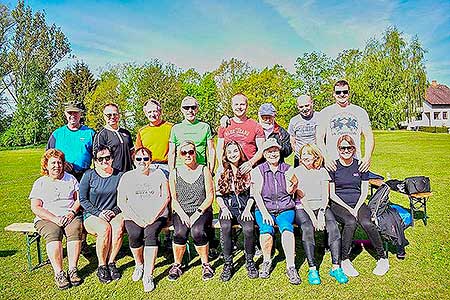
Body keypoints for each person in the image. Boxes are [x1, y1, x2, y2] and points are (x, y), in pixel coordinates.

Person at [329, 135, 389, 277]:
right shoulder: (333, 166)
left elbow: (364, 191)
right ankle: (345, 259)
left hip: (358, 201)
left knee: (367, 222)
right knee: (350, 221)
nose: (346, 150)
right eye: (342, 148)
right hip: (339, 203)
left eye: (349, 147)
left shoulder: (361, 165)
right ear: (338, 149)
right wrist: (350, 209)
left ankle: (382, 258)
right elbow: (332, 194)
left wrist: (356, 208)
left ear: (354, 149)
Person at [292, 144, 348, 285]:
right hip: (303, 207)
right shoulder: (296, 171)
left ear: (315, 156)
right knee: (307, 228)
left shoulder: (322, 171)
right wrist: (313, 217)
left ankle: (336, 267)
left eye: (309, 154)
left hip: (321, 206)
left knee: (333, 227)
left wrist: (322, 213)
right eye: (303, 154)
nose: (305, 157)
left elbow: (325, 195)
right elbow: (301, 197)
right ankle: (312, 268)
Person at [117, 147, 170, 292]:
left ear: (150, 160)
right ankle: (139, 264)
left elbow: (166, 197)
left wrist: (153, 216)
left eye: (146, 159)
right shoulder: (126, 177)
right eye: (139, 159)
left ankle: (148, 274)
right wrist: (137, 219)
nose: (142, 162)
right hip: (133, 215)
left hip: (156, 215)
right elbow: (121, 202)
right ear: (134, 161)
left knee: (150, 234)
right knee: (134, 234)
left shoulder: (159, 174)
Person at [30, 149, 83, 289]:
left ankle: (73, 269)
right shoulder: (40, 182)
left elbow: (79, 199)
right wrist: (54, 218)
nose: (57, 166)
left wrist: (72, 212)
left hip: (69, 214)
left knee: (75, 229)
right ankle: (59, 273)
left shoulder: (70, 179)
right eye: (53, 163)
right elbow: (36, 207)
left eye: (59, 162)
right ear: (46, 164)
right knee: (53, 233)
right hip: (47, 218)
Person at [251, 138, 300, 285]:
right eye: (270, 151)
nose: (273, 154)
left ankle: (291, 266)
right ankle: (266, 261)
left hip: (285, 207)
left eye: (275, 151)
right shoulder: (258, 171)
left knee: (287, 228)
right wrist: (265, 213)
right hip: (264, 208)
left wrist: (293, 186)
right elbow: (256, 195)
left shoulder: (288, 168)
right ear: (265, 154)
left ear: (279, 152)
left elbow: (291, 190)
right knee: (266, 230)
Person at [167, 141, 215, 281]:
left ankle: (205, 264)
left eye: (191, 152)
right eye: (184, 152)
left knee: (197, 231)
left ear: (195, 153)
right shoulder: (174, 173)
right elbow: (174, 200)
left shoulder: (203, 170)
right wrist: (182, 214)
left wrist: (197, 213)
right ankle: (177, 264)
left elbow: (210, 196)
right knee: (180, 232)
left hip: (201, 210)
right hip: (181, 210)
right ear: (179, 155)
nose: (188, 155)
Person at [79, 145, 125, 283]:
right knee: (104, 228)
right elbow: (82, 199)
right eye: (100, 159)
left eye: (107, 158)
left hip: (114, 212)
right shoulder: (88, 175)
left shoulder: (120, 176)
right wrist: (99, 213)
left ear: (112, 158)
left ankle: (111, 262)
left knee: (118, 228)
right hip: (92, 214)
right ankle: (102, 265)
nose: (104, 161)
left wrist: (114, 211)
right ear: (95, 160)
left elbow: (124, 199)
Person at [216, 141, 258, 281]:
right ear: (226, 156)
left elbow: (253, 194)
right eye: (229, 152)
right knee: (226, 227)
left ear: (240, 152)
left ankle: (249, 261)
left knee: (248, 229)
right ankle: (228, 263)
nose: (233, 154)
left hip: (245, 207)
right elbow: (218, 195)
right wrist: (223, 208)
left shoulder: (247, 170)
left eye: (235, 151)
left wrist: (247, 209)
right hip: (227, 207)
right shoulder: (221, 171)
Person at [316, 80, 374, 172]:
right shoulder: (325, 113)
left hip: (354, 162)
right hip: (332, 163)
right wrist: (326, 157)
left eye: (345, 92)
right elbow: (319, 138)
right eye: (338, 92)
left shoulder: (360, 112)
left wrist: (367, 157)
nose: (342, 94)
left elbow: (369, 136)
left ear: (349, 93)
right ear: (333, 94)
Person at [47, 101, 95, 182]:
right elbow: (48, 157)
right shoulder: (57, 134)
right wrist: (62, 163)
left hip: (84, 177)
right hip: (61, 176)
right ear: (65, 114)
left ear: (80, 113)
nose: (73, 115)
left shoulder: (90, 133)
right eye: (70, 112)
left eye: (76, 112)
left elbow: (98, 157)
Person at [217, 93, 265, 174]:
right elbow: (219, 149)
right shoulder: (224, 126)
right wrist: (220, 165)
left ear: (247, 106)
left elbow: (262, 149)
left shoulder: (256, 126)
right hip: (229, 171)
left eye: (242, 104)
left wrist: (251, 163)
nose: (239, 107)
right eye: (236, 104)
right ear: (232, 106)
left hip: (249, 170)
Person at [168, 96, 216, 174]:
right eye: (186, 108)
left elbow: (211, 150)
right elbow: (171, 153)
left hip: (200, 169)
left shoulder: (205, 127)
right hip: (180, 170)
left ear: (197, 109)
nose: (190, 110)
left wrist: (210, 171)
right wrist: (172, 172)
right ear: (182, 110)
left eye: (193, 107)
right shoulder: (176, 128)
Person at [135, 99, 173, 177]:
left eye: (155, 111)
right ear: (145, 114)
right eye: (149, 112)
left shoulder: (171, 128)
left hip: (167, 167)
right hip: (149, 166)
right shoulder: (142, 131)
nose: (152, 114)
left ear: (160, 112)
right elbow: (138, 152)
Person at [94, 103, 134, 172]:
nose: (112, 117)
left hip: (128, 173)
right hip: (112, 175)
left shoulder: (126, 133)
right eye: (109, 115)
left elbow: (132, 153)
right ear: (104, 116)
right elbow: (98, 159)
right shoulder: (101, 135)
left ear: (119, 115)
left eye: (115, 114)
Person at [288, 95, 320, 167]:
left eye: (307, 105)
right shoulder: (294, 121)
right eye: (301, 107)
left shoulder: (320, 117)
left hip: (316, 157)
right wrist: (299, 155)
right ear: (297, 107)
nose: (304, 109)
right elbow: (292, 141)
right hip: (300, 159)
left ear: (312, 103)